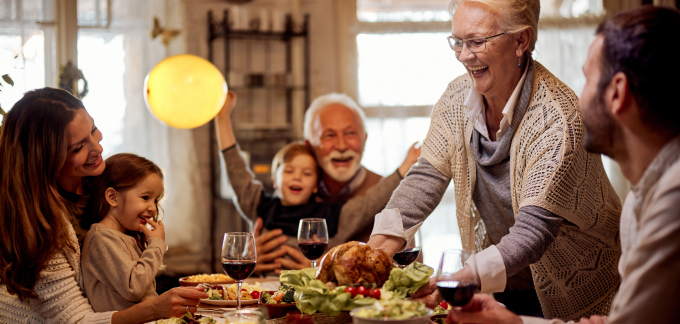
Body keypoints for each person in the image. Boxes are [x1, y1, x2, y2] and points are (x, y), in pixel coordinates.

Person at [368, 0, 622, 320]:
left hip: (579, 292)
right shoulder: (457, 97)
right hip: (506, 284)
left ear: (521, 41)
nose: (463, 55)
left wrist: (459, 278)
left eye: (476, 41)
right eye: (457, 42)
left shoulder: (557, 117)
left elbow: (534, 231)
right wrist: (373, 252)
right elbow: (426, 176)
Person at [447, 6, 680, 324]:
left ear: (618, 93)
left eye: (587, 79)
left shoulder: (673, 200)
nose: (577, 99)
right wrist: (513, 322)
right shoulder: (644, 197)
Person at [0, 88, 207, 323]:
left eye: (93, 130)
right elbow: (77, 320)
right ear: (45, 160)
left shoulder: (103, 185)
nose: (98, 148)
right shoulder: (39, 226)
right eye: (78, 148)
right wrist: (155, 309)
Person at [215, 91, 420, 274]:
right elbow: (240, 180)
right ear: (309, 145)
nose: (341, 145)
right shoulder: (283, 198)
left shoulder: (392, 195)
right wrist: (250, 260)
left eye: (350, 133)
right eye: (329, 135)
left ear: (365, 139)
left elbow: (410, 270)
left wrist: (323, 272)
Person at [80, 153, 167, 312]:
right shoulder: (102, 238)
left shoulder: (124, 237)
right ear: (113, 197)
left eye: (155, 200)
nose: (153, 208)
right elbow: (133, 288)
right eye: (145, 197)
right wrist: (156, 246)